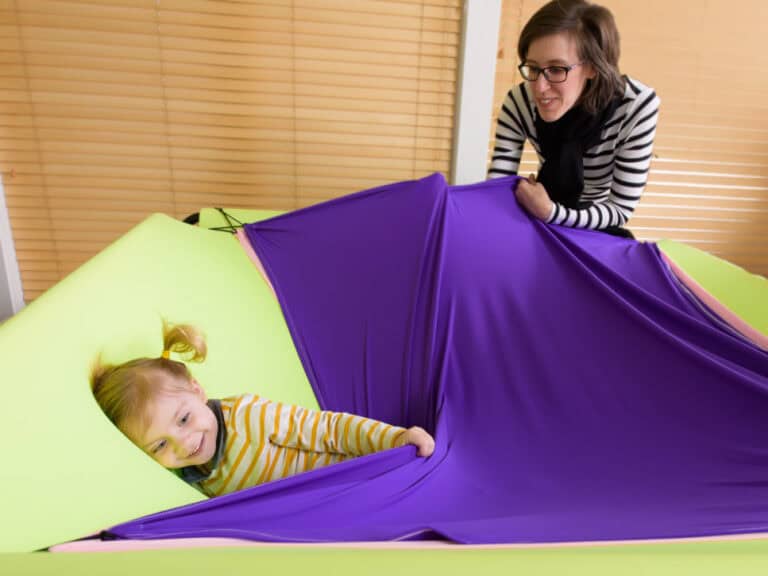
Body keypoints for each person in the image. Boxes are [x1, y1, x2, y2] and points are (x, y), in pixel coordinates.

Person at [91, 321, 435, 497]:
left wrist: (394, 439)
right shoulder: (189, 477)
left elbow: (330, 430)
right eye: (160, 445)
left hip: (356, 480)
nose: (183, 444)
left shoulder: (248, 417)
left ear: (197, 390)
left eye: (183, 418)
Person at [488, 0, 660, 238]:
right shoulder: (520, 101)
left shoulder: (635, 107)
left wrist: (551, 212)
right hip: (538, 216)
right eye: (533, 68)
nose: (539, 87)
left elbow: (619, 209)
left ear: (593, 67)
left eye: (556, 69)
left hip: (595, 226)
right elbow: (497, 187)